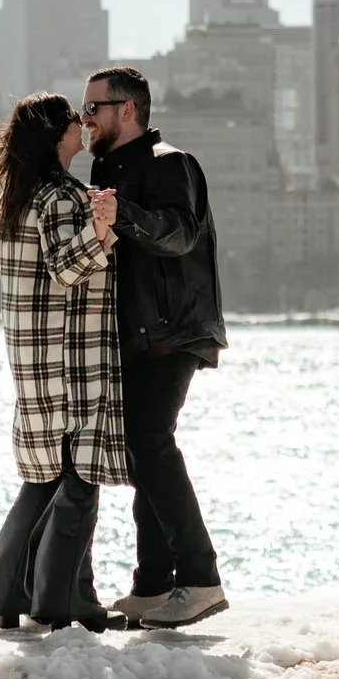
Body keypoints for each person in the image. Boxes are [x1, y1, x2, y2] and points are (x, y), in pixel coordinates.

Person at [0, 93, 128, 632]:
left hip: (29, 354)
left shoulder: (18, 196)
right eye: (75, 120)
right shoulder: (62, 195)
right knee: (79, 476)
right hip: (72, 354)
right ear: (58, 134)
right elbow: (65, 268)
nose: (83, 125)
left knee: (44, 478)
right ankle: (60, 602)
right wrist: (102, 231)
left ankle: (9, 592)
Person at [81, 65, 229, 629]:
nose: (86, 116)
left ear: (127, 110)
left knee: (150, 443)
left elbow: (179, 232)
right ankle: (152, 586)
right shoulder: (106, 167)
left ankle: (199, 578)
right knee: (143, 450)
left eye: (95, 106)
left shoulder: (170, 162)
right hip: (138, 333)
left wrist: (124, 215)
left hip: (171, 330)